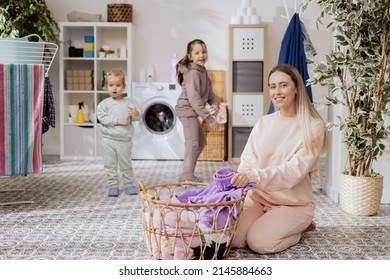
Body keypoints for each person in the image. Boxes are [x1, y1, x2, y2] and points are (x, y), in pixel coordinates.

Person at [230, 64, 328, 254]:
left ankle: (299, 229)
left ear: (296, 88)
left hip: (293, 205)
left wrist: (254, 177)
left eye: (283, 85)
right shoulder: (264, 123)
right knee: (232, 238)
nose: (277, 92)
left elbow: (293, 172)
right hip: (259, 198)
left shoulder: (313, 126)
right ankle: (267, 222)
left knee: (259, 243)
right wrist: (243, 176)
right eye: (272, 86)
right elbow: (248, 160)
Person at [175, 39, 222, 182]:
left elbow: (210, 94)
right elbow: (194, 98)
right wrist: (208, 117)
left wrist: (215, 104)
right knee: (193, 144)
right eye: (197, 53)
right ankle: (186, 178)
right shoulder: (193, 72)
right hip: (186, 110)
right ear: (190, 56)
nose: (202, 55)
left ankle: (188, 174)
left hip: (193, 111)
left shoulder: (203, 71)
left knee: (200, 143)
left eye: (204, 51)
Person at [97, 69, 141, 197]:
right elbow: (101, 118)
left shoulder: (128, 103)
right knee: (110, 164)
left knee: (125, 163)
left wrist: (136, 114)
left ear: (123, 86)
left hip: (124, 141)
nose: (114, 88)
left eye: (117, 85)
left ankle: (129, 183)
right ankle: (113, 184)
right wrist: (117, 121)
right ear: (107, 87)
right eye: (111, 85)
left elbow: (137, 119)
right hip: (108, 140)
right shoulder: (104, 105)